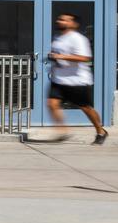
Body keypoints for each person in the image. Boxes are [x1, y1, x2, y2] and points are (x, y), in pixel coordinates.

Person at [46, 12, 108, 144]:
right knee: (52, 104)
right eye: (59, 19)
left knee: (86, 108)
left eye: (64, 20)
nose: (60, 21)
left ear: (73, 24)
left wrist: (61, 57)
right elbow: (59, 56)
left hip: (77, 81)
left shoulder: (78, 39)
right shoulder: (57, 38)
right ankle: (63, 131)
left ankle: (100, 131)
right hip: (58, 80)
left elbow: (85, 58)